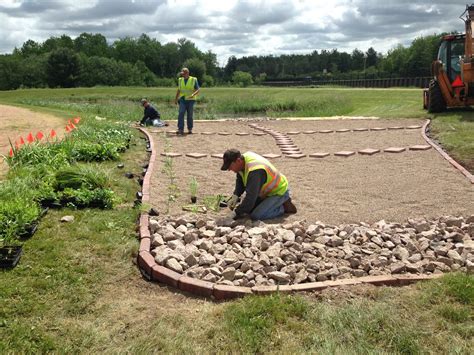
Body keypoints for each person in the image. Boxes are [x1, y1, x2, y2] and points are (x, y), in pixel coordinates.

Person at [221, 149, 297, 220]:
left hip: (279, 191)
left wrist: (236, 213)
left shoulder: (255, 171)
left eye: (230, 166)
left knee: (256, 215)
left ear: (238, 161)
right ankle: (270, 203)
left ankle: (283, 207)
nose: (229, 169)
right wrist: (235, 197)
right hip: (266, 192)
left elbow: (250, 198)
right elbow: (240, 182)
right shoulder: (243, 161)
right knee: (248, 209)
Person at [174, 67, 200, 135]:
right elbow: (179, 90)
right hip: (182, 99)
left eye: (184, 73)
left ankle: (190, 129)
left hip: (191, 100)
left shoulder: (193, 79)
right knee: (181, 113)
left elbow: (198, 89)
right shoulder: (180, 80)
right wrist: (176, 99)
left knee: (190, 115)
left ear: (188, 73)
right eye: (182, 74)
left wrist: (193, 94)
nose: (183, 75)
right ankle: (180, 129)